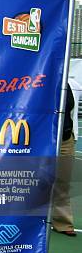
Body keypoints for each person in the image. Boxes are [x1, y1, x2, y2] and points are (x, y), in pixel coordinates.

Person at [51, 80, 80, 237]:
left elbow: (72, 112)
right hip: (42, 137)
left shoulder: (72, 84)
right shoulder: (39, 76)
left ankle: (62, 222)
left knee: (62, 181)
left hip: (65, 138)